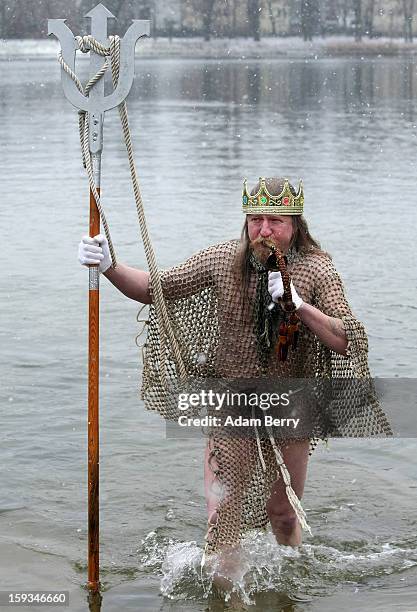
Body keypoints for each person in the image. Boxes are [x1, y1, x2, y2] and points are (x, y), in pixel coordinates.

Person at [78, 177, 391, 565]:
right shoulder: (222, 260)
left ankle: (289, 580)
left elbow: (350, 340)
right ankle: (226, 596)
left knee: (282, 512)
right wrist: (110, 266)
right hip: (230, 400)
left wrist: (300, 305)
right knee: (223, 519)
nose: (264, 229)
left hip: (291, 403)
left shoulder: (316, 269)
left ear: (295, 225)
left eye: (275, 220)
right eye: (255, 219)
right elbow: (157, 288)